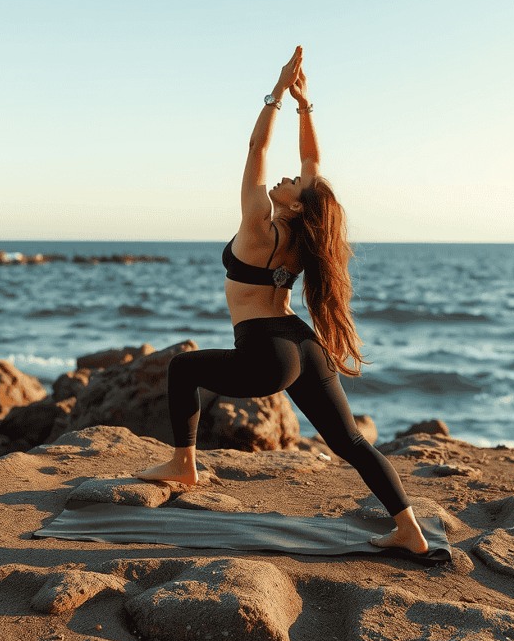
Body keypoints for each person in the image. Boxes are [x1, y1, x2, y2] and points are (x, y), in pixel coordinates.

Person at [137, 46, 428, 555]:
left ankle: (185, 465)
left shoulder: (259, 226)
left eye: (292, 183)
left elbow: (256, 149)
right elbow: (313, 163)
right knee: (352, 443)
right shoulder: (303, 233)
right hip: (302, 343)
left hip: (268, 352)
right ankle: (409, 528)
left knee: (182, 370)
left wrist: (274, 93)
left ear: (293, 203)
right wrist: (304, 103)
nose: (287, 178)